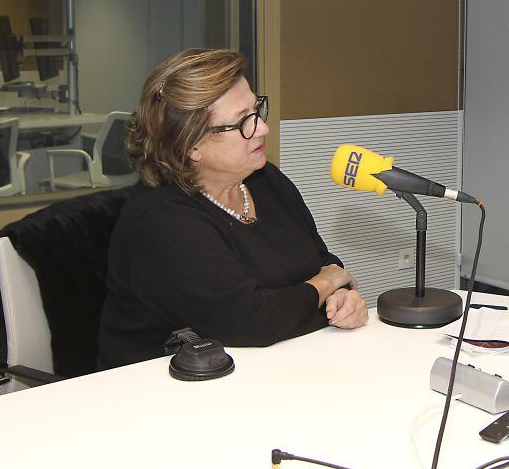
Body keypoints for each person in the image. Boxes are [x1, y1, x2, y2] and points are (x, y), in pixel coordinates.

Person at [99, 48, 367, 368]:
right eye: (243, 122)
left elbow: (320, 261)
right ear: (191, 145)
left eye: (257, 110)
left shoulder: (265, 180)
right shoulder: (161, 221)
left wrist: (343, 299)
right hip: (164, 389)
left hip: (277, 365)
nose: (262, 128)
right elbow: (252, 321)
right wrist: (327, 284)